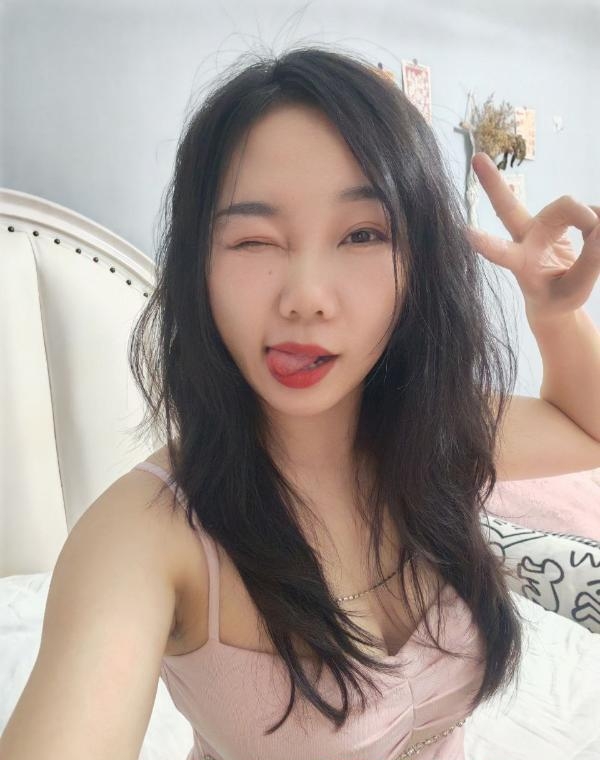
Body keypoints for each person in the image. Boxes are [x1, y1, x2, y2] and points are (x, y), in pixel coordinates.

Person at [2, 45, 599, 760]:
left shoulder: (437, 435)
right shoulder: (146, 536)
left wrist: (555, 315)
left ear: (419, 265)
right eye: (254, 240)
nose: (306, 298)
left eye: (363, 234)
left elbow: (587, 431)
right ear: (198, 268)